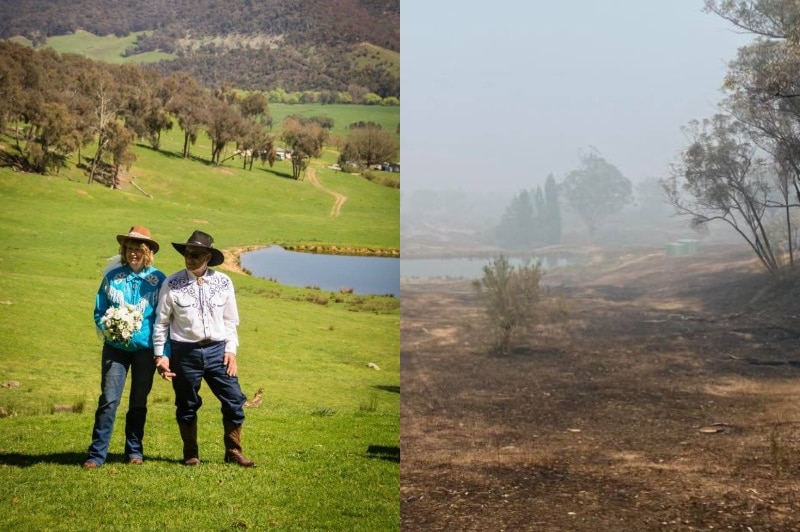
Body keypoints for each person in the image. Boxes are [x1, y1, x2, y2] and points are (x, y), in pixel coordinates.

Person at [153, 230, 255, 467]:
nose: (190, 258)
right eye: (187, 253)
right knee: (186, 404)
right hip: (184, 353)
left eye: (196, 254)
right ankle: (191, 454)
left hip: (218, 351)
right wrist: (161, 356)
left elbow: (231, 320)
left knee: (233, 400)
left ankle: (234, 451)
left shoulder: (224, 282)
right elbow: (161, 322)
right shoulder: (172, 284)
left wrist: (231, 350)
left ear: (207, 256)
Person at [84, 226, 166, 468]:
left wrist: (163, 352)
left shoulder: (159, 280)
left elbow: (164, 317)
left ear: (147, 252)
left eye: (138, 249)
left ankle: (134, 451)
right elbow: (99, 310)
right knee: (109, 400)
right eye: (129, 248)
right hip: (115, 349)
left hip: (145, 349)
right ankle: (97, 454)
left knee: (138, 400)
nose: (133, 253)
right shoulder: (112, 278)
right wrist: (109, 327)